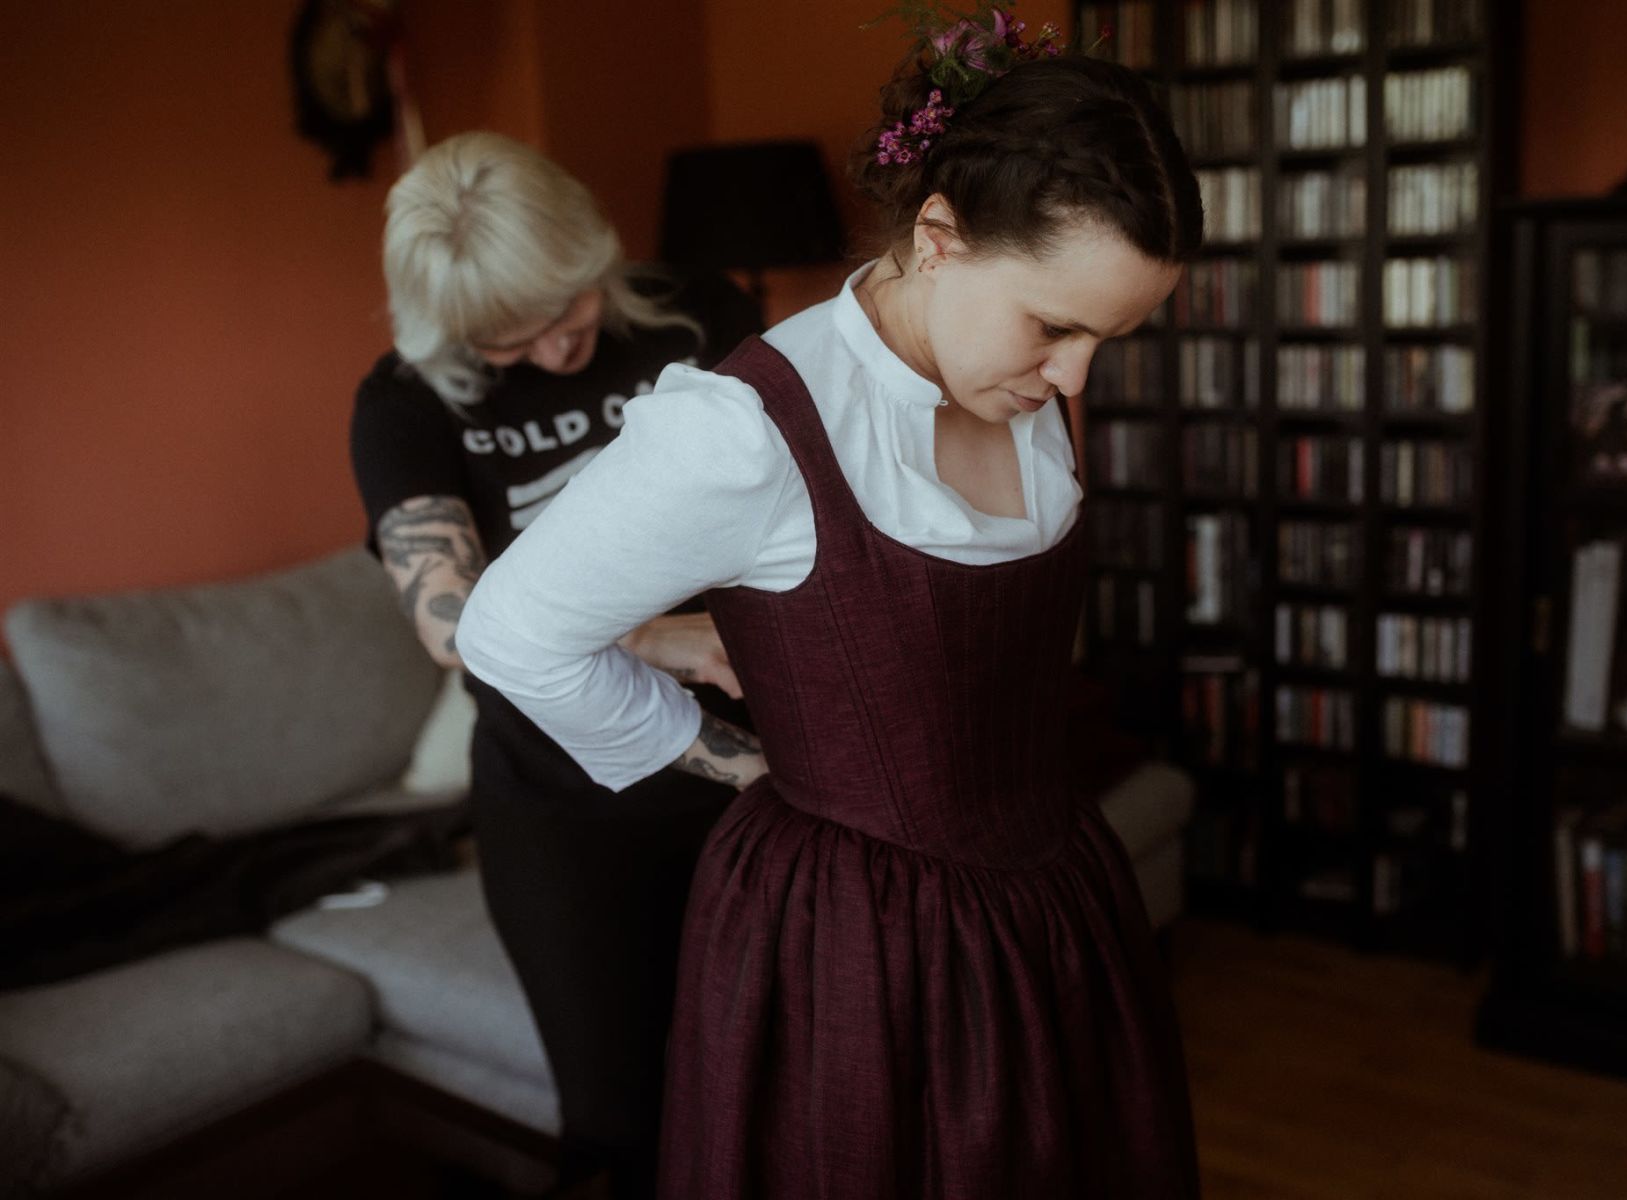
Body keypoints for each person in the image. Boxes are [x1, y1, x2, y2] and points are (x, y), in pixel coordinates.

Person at [456, 19, 1207, 1198]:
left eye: (1109, 339)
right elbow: (511, 630)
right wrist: (720, 758)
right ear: (941, 238)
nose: (1075, 380)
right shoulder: (742, 433)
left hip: (1058, 910)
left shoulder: (1020, 386)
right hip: (857, 948)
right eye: (1056, 326)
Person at [348, 131, 761, 1198]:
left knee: (770, 1084)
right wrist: (647, 631)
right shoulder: (404, 403)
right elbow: (450, 620)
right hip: (562, 810)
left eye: (567, 312)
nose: (552, 352)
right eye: (507, 342)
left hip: (740, 776)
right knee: (616, 1123)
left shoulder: (699, 312)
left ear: (597, 250)